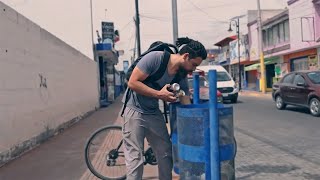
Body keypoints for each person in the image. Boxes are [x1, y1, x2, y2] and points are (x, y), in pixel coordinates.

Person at [121, 37, 207, 180]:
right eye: (193, 64)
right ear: (185, 56)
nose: (193, 69)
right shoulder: (155, 58)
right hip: (134, 110)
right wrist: (159, 94)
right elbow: (132, 82)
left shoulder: (180, 74)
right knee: (135, 159)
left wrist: (195, 119)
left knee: (166, 153)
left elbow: (184, 97)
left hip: (153, 112)